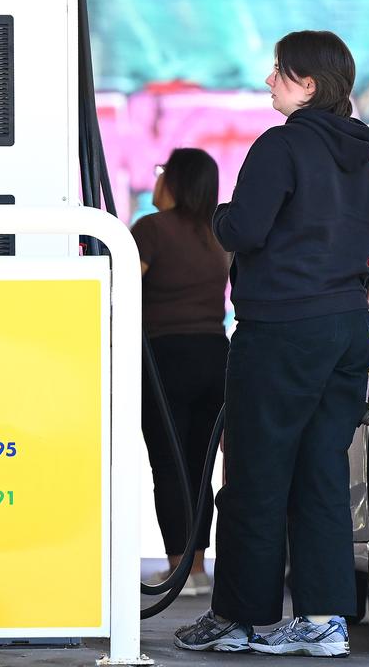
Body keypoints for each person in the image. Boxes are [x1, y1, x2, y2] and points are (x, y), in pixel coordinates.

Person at [174, 30, 369, 657]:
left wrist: (220, 216)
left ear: (308, 85)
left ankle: (238, 619)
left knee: (256, 477)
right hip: (347, 327)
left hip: (283, 329)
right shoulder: (361, 156)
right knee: (321, 474)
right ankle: (322, 621)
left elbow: (244, 229)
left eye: (279, 72)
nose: (269, 81)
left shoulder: (281, 145)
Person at [131, 148, 230, 596]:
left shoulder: (150, 230)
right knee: (198, 465)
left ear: (176, 180)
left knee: (168, 466)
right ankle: (197, 569)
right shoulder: (217, 234)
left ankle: (178, 569)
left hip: (164, 358)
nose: (156, 179)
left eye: (162, 172)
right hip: (214, 355)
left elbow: (124, 286)